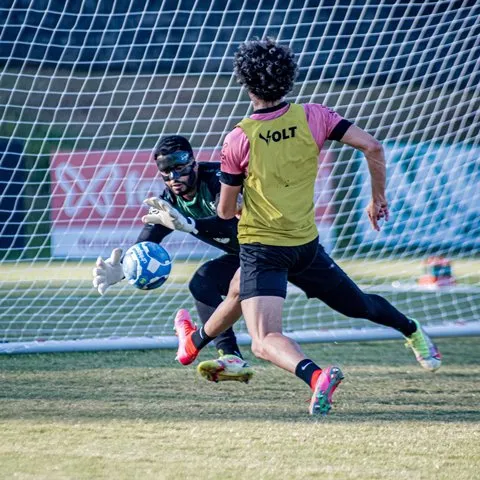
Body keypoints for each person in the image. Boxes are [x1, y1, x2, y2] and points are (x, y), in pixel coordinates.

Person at [172, 38, 442, 416]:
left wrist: (210, 213)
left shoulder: (238, 138)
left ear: (246, 84)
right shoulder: (315, 115)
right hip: (305, 244)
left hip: (264, 249)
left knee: (264, 342)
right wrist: (377, 198)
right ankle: (192, 346)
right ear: (288, 79)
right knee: (247, 292)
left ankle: (316, 376)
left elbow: (226, 210)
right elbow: (374, 147)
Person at [92, 135, 253, 383]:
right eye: (166, 172)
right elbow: (147, 241)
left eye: (179, 169)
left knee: (334, 298)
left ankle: (192, 343)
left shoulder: (219, 180)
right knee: (202, 281)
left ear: (194, 164)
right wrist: (124, 268)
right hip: (247, 257)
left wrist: (191, 224)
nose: (173, 178)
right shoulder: (169, 201)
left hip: (281, 249)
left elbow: (227, 223)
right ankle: (230, 357)